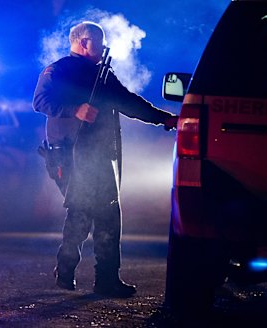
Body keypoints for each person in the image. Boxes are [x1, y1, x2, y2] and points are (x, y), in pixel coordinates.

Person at [32, 21, 178, 298]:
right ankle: (72, 270)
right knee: (83, 211)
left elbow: (128, 102)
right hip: (68, 154)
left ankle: (102, 277)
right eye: (98, 42)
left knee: (105, 213)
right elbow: (40, 101)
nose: (102, 48)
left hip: (98, 157)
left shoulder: (102, 75)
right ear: (84, 42)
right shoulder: (58, 70)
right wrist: (74, 110)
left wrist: (164, 119)